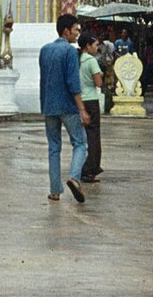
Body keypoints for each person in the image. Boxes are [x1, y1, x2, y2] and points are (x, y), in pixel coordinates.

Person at [39, 14, 91, 203]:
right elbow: (73, 83)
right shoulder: (69, 51)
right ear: (66, 31)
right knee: (80, 144)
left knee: (54, 148)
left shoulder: (44, 50)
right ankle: (74, 177)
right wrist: (82, 109)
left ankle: (55, 190)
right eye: (76, 30)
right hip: (67, 106)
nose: (78, 34)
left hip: (48, 105)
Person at [79, 32, 105, 182]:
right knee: (94, 136)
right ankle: (90, 168)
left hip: (80, 99)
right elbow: (98, 83)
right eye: (95, 45)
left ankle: (83, 166)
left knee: (83, 137)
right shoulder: (91, 61)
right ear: (87, 46)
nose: (97, 47)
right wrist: (100, 74)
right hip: (91, 99)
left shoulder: (77, 59)